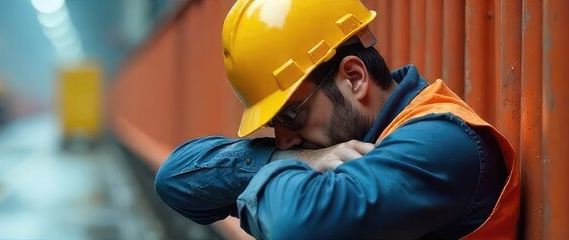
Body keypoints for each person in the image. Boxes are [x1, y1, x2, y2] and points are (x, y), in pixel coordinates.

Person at [153, 0, 520, 239]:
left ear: (354, 78)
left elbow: (292, 224)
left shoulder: (441, 145)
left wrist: (284, 169)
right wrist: (297, 159)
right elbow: (175, 179)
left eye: (292, 114)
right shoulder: (349, 143)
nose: (285, 138)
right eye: (274, 124)